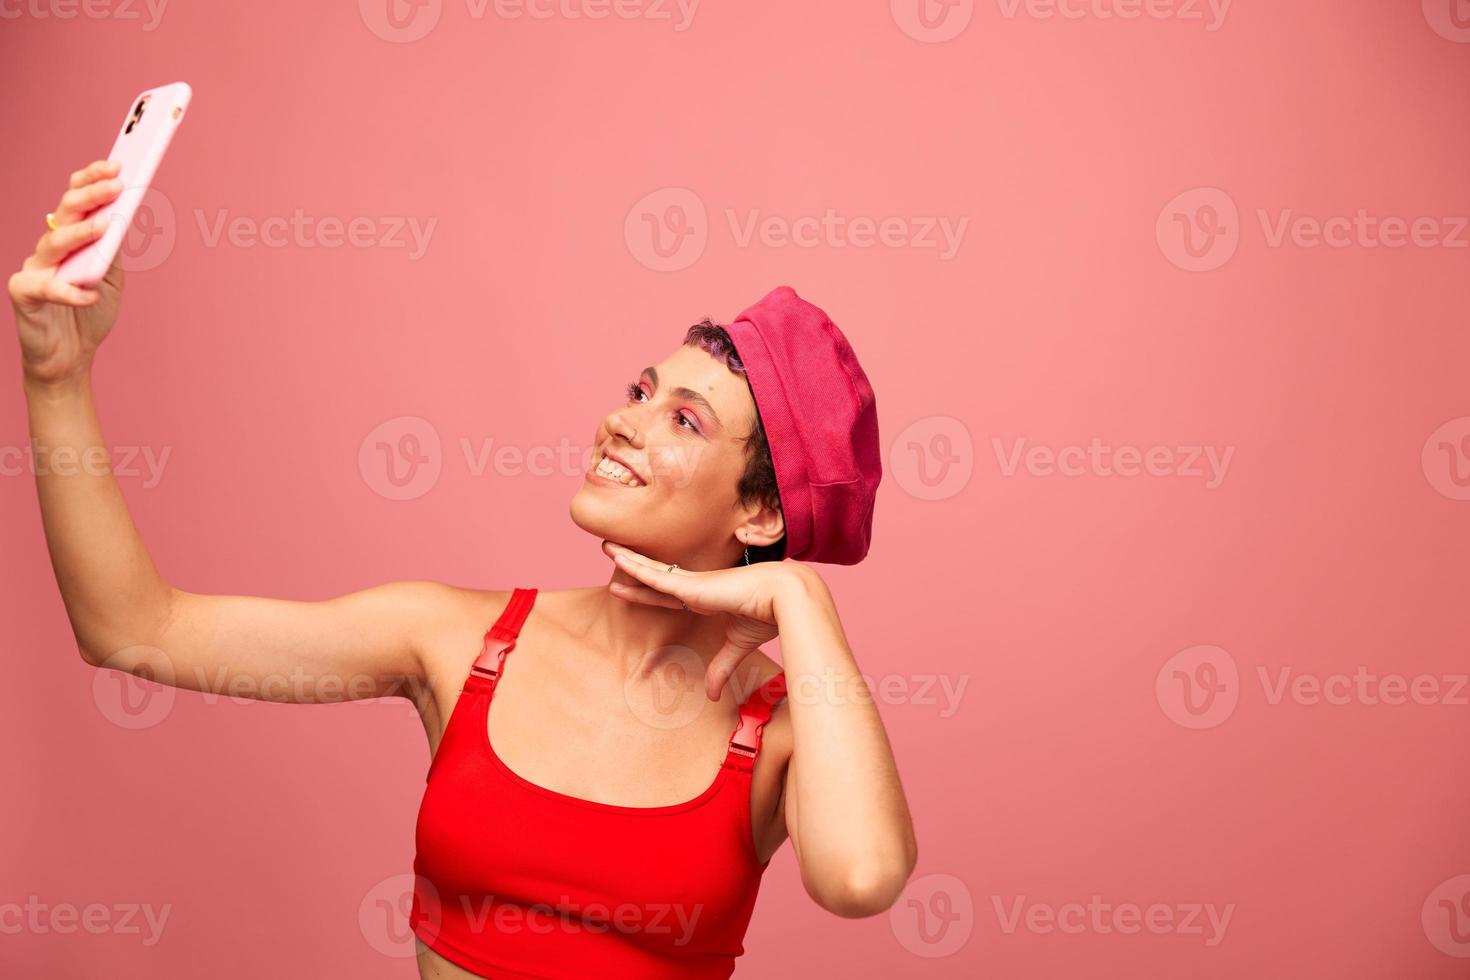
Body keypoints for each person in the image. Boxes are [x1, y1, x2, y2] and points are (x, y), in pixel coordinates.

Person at [11, 159, 919, 979]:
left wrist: (800, 596)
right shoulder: (457, 636)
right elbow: (135, 630)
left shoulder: (784, 726)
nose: (624, 422)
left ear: (760, 510)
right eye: (641, 391)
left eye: (685, 420)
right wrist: (57, 378)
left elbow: (862, 878)